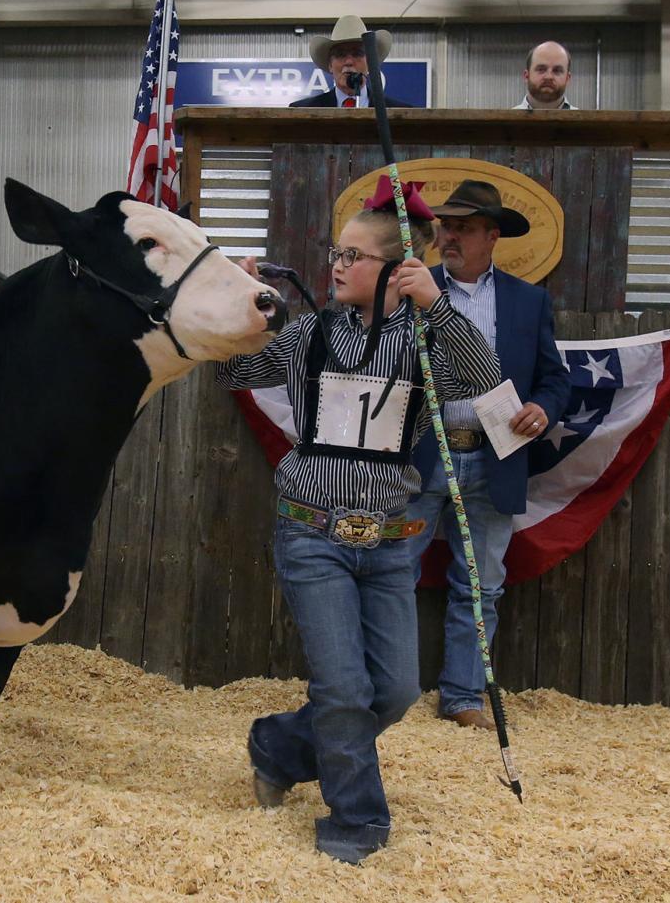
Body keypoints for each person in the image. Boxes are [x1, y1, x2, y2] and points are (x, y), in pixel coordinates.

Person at [218, 177, 501, 864]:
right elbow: (235, 370)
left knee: (396, 689)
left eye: (355, 255)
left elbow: (486, 377)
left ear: (398, 270)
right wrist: (239, 305)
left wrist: (438, 306)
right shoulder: (310, 333)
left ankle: (280, 745)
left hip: (389, 542)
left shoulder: (424, 342)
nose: (337, 265)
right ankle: (356, 823)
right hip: (311, 532)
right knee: (344, 688)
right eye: (336, 252)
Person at [405, 180, 570, 729]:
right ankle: (386, 691)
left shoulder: (530, 300)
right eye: (446, 226)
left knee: (481, 586)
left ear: (493, 236)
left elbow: (554, 380)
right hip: (418, 456)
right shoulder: (411, 289)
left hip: (496, 455)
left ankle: (463, 698)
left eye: (464, 228)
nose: (449, 236)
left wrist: (544, 409)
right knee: (391, 573)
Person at [290, 15, 414, 109]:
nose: (349, 61)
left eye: (357, 54)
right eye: (340, 54)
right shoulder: (303, 110)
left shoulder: (399, 112)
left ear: (370, 63)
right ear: (330, 65)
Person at [513, 41, 576, 110]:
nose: (548, 77)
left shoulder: (584, 120)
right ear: (526, 76)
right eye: (541, 69)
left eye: (557, 71)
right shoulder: (507, 120)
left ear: (567, 78)